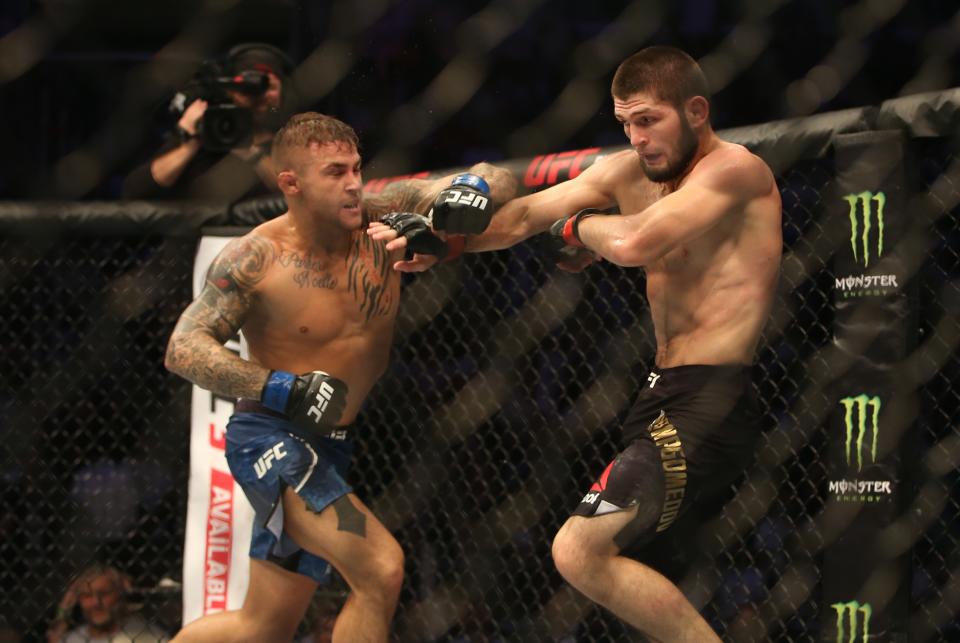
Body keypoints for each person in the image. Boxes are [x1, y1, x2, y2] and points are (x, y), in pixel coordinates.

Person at [369, 45, 782, 642]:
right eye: (625, 125)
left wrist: (574, 228)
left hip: (709, 401)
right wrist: (437, 242)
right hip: (658, 393)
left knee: (581, 550)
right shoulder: (626, 172)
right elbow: (518, 218)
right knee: (635, 571)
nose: (636, 138)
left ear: (695, 110)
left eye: (648, 120)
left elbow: (637, 241)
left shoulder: (737, 170)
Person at [164, 111, 514, 642]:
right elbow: (183, 348)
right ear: (291, 183)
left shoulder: (386, 212)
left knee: (260, 627)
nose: (352, 183)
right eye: (334, 172)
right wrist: (281, 386)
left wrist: (473, 187)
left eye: (355, 168)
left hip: (334, 443)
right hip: (270, 438)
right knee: (380, 569)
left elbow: (502, 175)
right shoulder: (257, 257)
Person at [122, 43, 292, 202]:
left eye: (269, 87)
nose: (259, 95)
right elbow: (135, 192)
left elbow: (303, 195)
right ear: (231, 91)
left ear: (282, 92)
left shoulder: (290, 139)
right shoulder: (205, 128)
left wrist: (251, 153)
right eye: (248, 88)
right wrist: (190, 144)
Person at [46, 564, 170, 643]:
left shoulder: (148, 636)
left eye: (104, 593)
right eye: (87, 596)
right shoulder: (71, 639)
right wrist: (63, 609)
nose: (96, 602)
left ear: (119, 594)